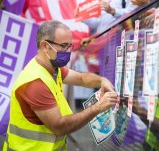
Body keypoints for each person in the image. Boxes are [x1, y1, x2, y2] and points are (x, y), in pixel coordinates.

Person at [3, 20, 118, 151]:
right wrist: (97, 107)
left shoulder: (53, 67)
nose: (68, 51)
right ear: (45, 46)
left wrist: (102, 81)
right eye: (64, 46)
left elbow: (81, 78)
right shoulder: (35, 83)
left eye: (70, 46)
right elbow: (59, 127)